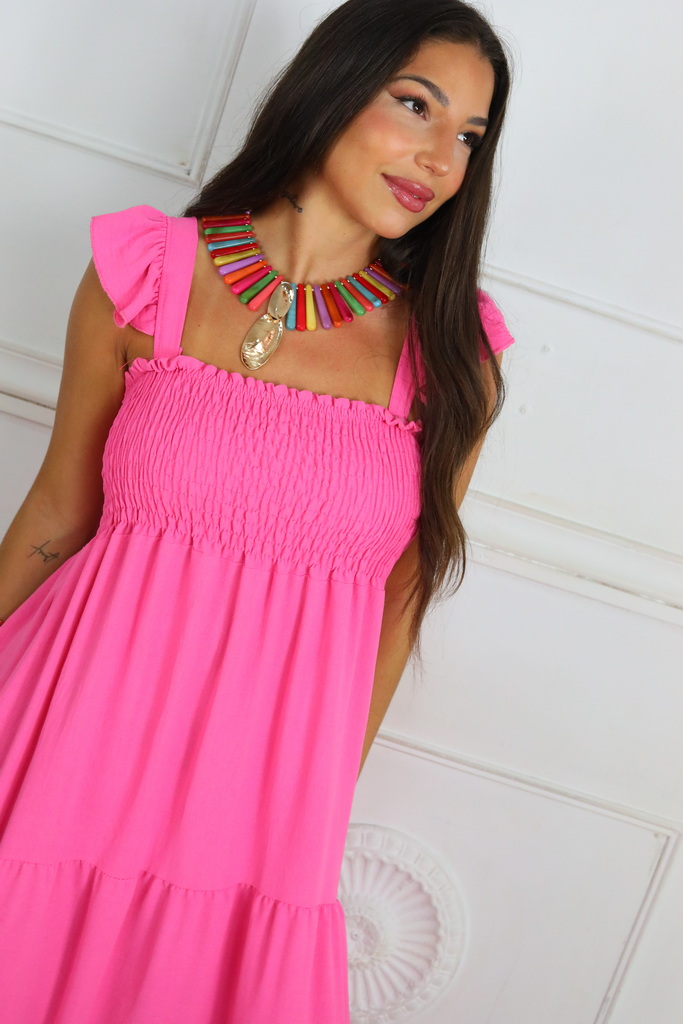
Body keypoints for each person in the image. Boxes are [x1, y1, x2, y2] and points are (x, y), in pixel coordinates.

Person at [0, 0, 515, 1020]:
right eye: (415, 105)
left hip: (257, 805)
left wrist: (313, 810)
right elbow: (57, 513)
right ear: (333, 86)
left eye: (468, 135)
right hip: (64, 740)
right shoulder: (146, 276)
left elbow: (398, 603)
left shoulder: (451, 359)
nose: (439, 157)